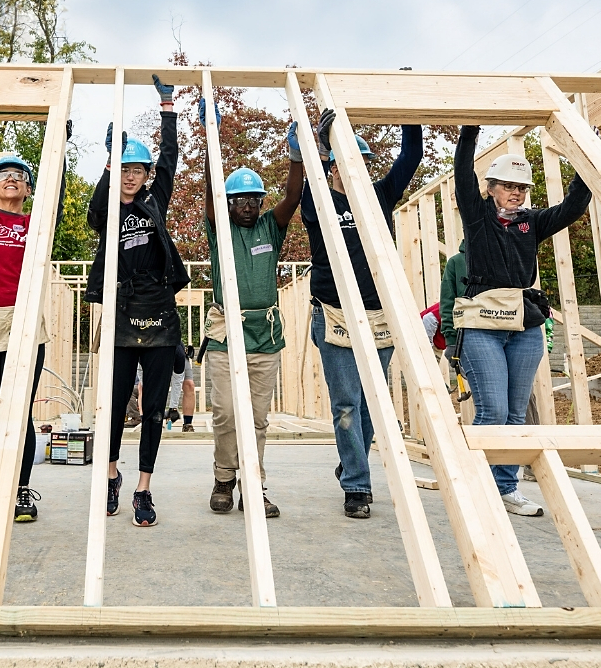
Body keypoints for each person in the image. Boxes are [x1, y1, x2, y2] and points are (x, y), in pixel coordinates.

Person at [452, 126, 592, 516]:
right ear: (491, 188)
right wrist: (469, 132)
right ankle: (474, 486)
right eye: (507, 186)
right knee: (493, 412)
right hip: (483, 323)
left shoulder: (532, 223)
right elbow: (463, 174)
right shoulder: (478, 218)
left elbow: (574, 206)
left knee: (516, 413)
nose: (516, 193)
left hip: (525, 324)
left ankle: (505, 489)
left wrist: (583, 157)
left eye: (522, 188)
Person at [300, 111, 422, 518]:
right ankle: (357, 486)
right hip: (334, 312)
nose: (354, 171)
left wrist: (407, 110)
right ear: (332, 167)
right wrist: (320, 145)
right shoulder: (320, 200)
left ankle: (351, 460)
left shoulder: (379, 197)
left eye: (362, 162)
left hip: (378, 315)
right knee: (347, 404)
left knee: (372, 403)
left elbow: (411, 156)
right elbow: (308, 180)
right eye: (343, 163)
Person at [0, 118, 71, 525]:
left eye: (19, 176)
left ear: (27, 187)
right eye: (2, 175)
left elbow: (55, 189)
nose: (10, 179)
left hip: (23, 324)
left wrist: (60, 141)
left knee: (18, 413)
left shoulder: (36, 223)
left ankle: (20, 491)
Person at [84, 75, 186, 527]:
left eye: (136, 171)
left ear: (145, 176)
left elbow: (170, 160)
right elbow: (96, 206)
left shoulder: (155, 202)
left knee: (155, 407)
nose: (131, 177)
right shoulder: (108, 208)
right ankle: (110, 476)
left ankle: (144, 488)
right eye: (124, 170)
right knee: (116, 397)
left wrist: (167, 108)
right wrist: (110, 157)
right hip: (122, 311)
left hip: (160, 310)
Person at [202, 99, 303, 518]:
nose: (246, 205)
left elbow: (294, 195)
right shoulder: (218, 228)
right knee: (226, 412)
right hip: (228, 333)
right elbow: (209, 190)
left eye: (253, 199)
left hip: (265, 335)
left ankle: (254, 485)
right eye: (239, 199)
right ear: (228, 204)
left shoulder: (270, 227)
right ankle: (224, 477)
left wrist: (296, 154)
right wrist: (211, 138)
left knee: (258, 419)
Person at [166, 344, 196, 432]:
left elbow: (178, 379)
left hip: (176, 346)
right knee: (144, 386)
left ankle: (187, 424)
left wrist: (173, 408)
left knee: (189, 384)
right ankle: (148, 421)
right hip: (156, 348)